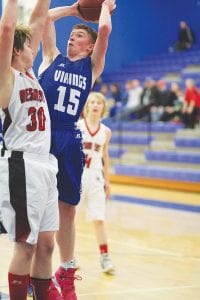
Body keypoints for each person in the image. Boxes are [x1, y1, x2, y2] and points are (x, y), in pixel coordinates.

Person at [38, 1, 116, 299]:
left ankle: (67, 272)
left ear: (89, 47)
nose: (72, 37)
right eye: (71, 35)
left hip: (70, 138)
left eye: (79, 36)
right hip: (42, 137)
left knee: (67, 211)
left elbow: (105, 28)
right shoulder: (50, 57)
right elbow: (44, 16)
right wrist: (73, 10)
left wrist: (105, 5)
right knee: (39, 211)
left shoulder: (92, 67)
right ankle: (37, 273)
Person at [0, 1, 62, 299]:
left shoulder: (30, 74)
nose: (34, 50)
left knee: (47, 244)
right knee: (25, 245)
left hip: (45, 165)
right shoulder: (6, 77)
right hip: (21, 166)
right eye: (28, 47)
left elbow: (38, 19)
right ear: (15, 50)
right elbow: (7, 29)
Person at [78, 92, 115, 274]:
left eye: (98, 102)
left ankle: (105, 257)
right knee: (68, 220)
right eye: (92, 102)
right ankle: (68, 258)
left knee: (99, 218)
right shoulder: (77, 126)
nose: (95, 105)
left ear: (103, 107)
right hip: (77, 176)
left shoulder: (106, 131)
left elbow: (105, 156)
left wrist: (107, 180)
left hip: (96, 177)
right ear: (86, 106)